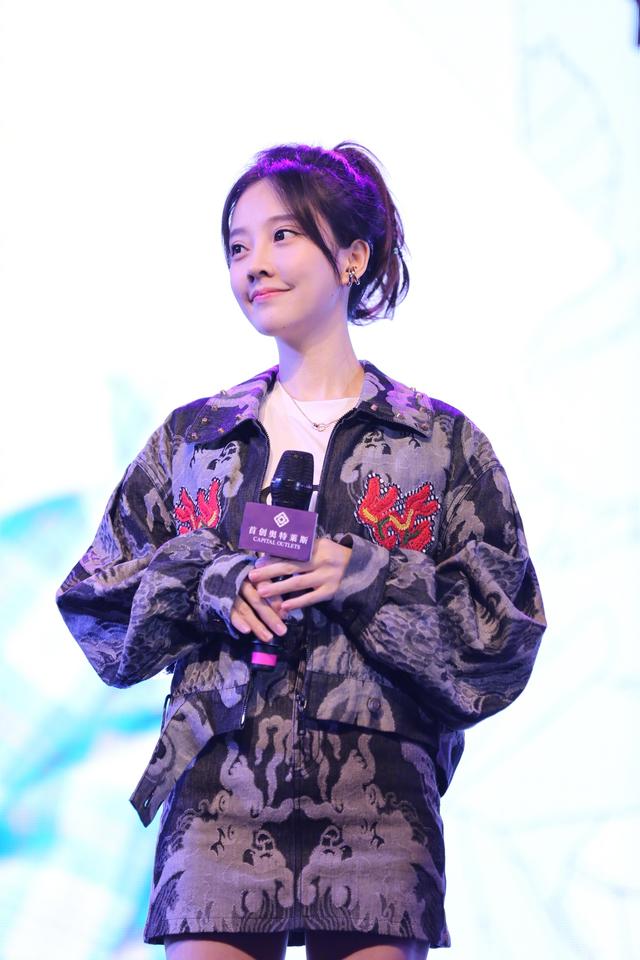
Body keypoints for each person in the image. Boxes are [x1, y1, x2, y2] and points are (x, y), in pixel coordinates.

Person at [56, 142, 546, 960]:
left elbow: (503, 633)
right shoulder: (196, 439)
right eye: (237, 246)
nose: (254, 263)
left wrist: (369, 578)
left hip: (379, 802)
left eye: (282, 236)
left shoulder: (438, 442)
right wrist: (208, 583)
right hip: (217, 788)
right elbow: (96, 601)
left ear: (353, 256)